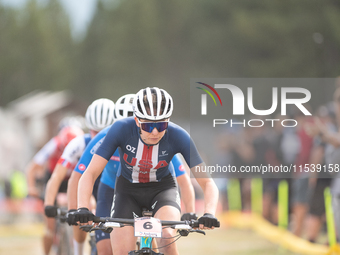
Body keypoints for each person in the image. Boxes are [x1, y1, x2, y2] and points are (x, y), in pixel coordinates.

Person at [74, 87, 219, 255]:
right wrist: (82, 208)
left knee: (166, 237)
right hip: (127, 192)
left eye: (162, 124)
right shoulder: (121, 129)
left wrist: (209, 213)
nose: (156, 132)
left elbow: (207, 182)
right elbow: (90, 173)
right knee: (120, 251)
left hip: (163, 190)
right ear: (136, 120)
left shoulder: (179, 135)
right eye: (148, 125)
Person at [44, 98, 116, 255]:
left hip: (110, 185)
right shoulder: (78, 144)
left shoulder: (120, 141)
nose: (100, 137)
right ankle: (78, 251)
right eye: (95, 132)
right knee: (81, 214)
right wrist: (53, 204)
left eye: (106, 131)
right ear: (88, 128)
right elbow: (57, 177)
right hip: (87, 185)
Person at [26, 124, 84, 255]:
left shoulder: (83, 145)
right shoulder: (54, 144)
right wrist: (31, 188)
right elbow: (32, 168)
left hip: (72, 179)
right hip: (54, 179)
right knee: (49, 227)